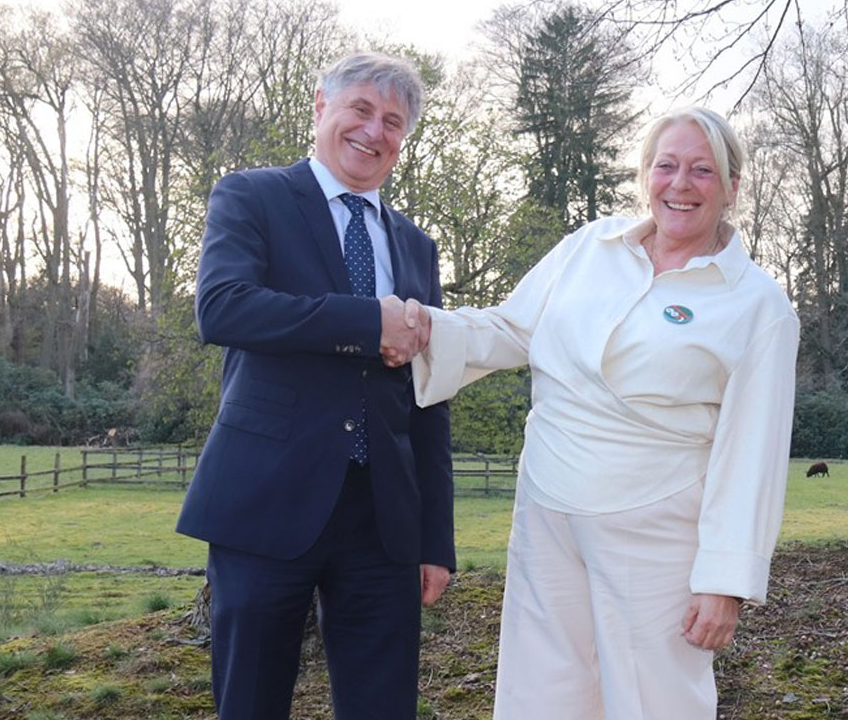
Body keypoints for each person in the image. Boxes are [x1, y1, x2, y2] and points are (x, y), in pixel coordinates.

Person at [406, 107, 800, 718]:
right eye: (666, 165)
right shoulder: (589, 247)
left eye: (702, 169)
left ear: (731, 186)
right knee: (543, 691)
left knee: (655, 699)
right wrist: (425, 327)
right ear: (645, 174)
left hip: (657, 529)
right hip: (546, 512)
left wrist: (725, 583)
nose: (681, 183)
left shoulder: (758, 306)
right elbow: (511, 328)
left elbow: (754, 453)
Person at [176, 52, 454, 720]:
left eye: (392, 121)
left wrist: (434, 538)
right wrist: (368, 321)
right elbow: (224, 307)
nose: (374, 130)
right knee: (250, 703)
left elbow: (430, 396)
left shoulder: (416, 246)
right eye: (360, 108)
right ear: (320, 107)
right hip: (265, 500)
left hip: (383, 521)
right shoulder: (251, 195)